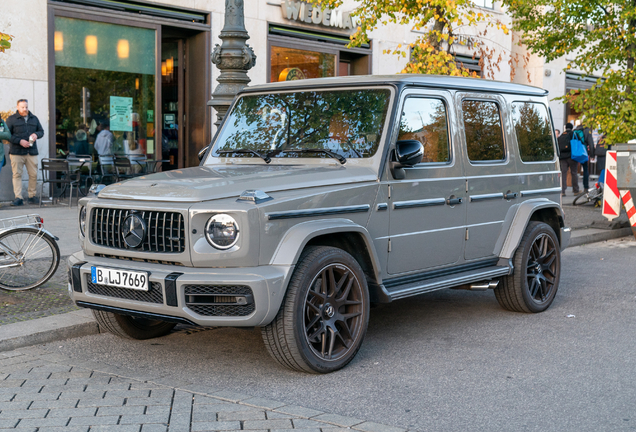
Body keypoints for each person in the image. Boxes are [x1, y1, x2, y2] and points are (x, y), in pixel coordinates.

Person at [6, 99, 44, 206]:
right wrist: (19, 141)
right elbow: (7, 135)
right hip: (16, 152)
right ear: (17, 107)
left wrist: (37, 134)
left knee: (33, 174)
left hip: (31, 152)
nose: (25, 109)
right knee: (17, 174)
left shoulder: (34, 118)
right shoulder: (11, 119)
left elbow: (41, 131)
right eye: (22, 107)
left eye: (26, 107)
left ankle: (32, 196)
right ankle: (18, 198)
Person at [558, 123, 578, 196]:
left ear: (565, 128)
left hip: (562, 157)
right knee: (574, 173)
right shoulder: (573, 134)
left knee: (563, 174)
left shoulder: (562, 135)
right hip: (572, 156)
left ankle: (562, 191)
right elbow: (578, 143)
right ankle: (576, 190)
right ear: (572, 128)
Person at [574, 119, 595, 191]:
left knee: (574, 171)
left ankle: (575, 188)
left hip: (574, 152)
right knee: (585, 169)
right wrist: (592, 155)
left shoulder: (575, 130)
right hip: (583, 152)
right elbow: (591, 144)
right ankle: (586, 187)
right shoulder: (587, 131)